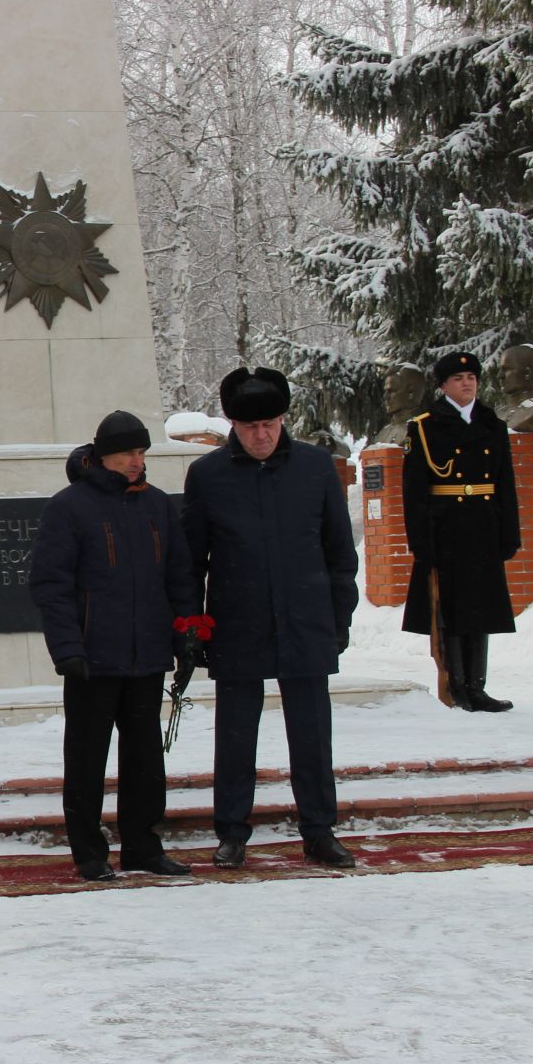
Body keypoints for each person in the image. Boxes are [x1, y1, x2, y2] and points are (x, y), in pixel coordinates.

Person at [182, 367, 360, 869]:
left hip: (306, 617)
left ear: (284, 419)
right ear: (232, 425)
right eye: (249, 426)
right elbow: (192, 560)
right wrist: (192, 625)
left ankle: (319, 831)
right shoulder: (208, 475)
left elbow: (339, 552)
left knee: (311, 732)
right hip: (238, 621)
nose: (261, 435)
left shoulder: (316, 467)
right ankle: (232, 831)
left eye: (271, 424)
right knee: (236, 734)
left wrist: (339, 615)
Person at [29, 410, 200, 881]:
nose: (135, 461)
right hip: (91, 657)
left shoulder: (159, 507)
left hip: (146, 655)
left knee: (146, 759)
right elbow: (51, 584)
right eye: (127, 452)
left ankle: (143, 846)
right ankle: (89, 850)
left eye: (142, 453)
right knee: (86, 758)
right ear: (102, 454)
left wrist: (188, 635)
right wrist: (67, 648)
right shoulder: (69, 507)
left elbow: (181, 578)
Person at [400, 350, 521, 712]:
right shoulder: (424, 426)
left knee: (481, 609)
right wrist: (420, 541)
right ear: (444, 385)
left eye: (472, 378)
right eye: (458, 379)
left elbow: (505, 484)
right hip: (445, 527)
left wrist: (509, 533)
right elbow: (414, 491)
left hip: (483, 524)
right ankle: (455, 686)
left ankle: (477, 686)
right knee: (450, 611)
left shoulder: (492, 424)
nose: (467, 383)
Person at [374, 364, 429, 445]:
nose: (385, 397)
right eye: (385, 391)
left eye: (391, 391)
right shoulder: (382, 434)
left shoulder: (426, 432)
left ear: (411, 393)